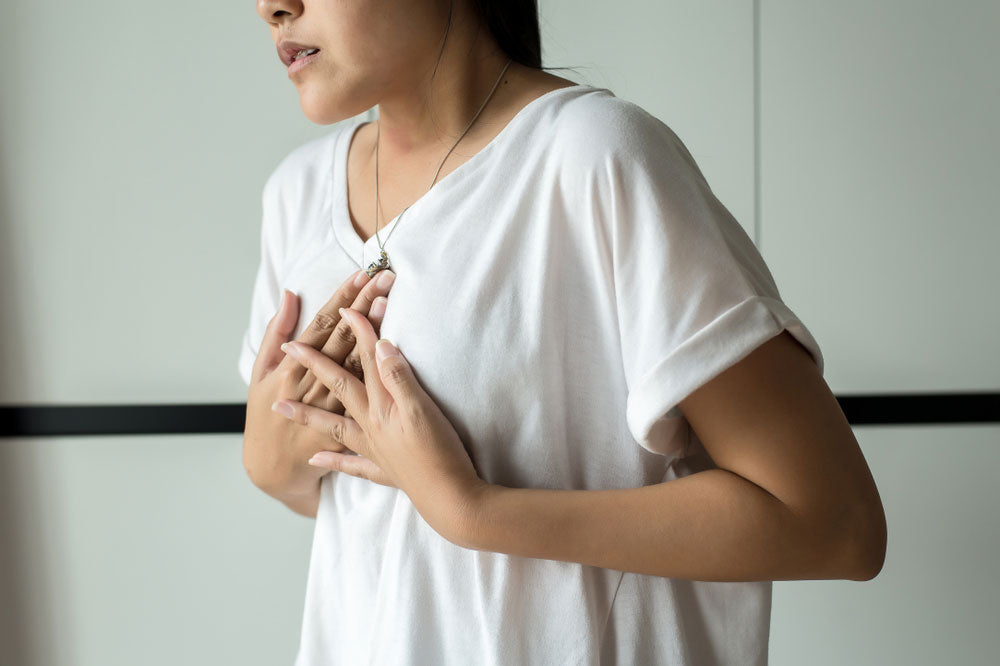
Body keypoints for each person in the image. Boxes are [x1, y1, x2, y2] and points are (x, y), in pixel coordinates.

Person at [242, 0, 888, 664]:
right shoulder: (297, 196)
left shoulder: (595, 156)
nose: (271, 6)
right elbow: (372, 507)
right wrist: (268, 466)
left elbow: (833, 523)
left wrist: (476, 512)